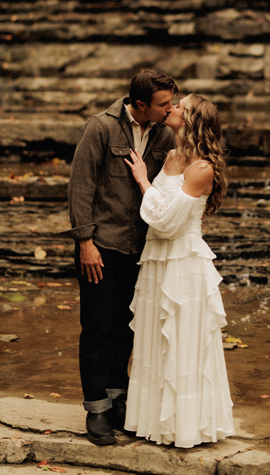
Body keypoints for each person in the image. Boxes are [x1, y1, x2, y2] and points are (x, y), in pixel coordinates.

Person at [64, 69, 177, 446]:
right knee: (97, 327)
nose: (170, 109)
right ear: (140, 104)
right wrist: (85, 242)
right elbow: (81, 186)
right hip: (101, 247)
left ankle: (117, 400)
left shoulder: (164, 134)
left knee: (126, 328)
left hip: (140, 249)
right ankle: (96, 409)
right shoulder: (100, 128)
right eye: (164, 104)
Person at [119, 93, 236, 448]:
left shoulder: (202, 169)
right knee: (155, 338)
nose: (170, 108)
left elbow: (168, 223)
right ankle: (151, 423)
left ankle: (185, 427)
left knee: (181, 341)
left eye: (179, 106)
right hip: (157, 259)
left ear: (192, 120)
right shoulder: (171, 155)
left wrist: (143, 180)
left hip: (183, 261)